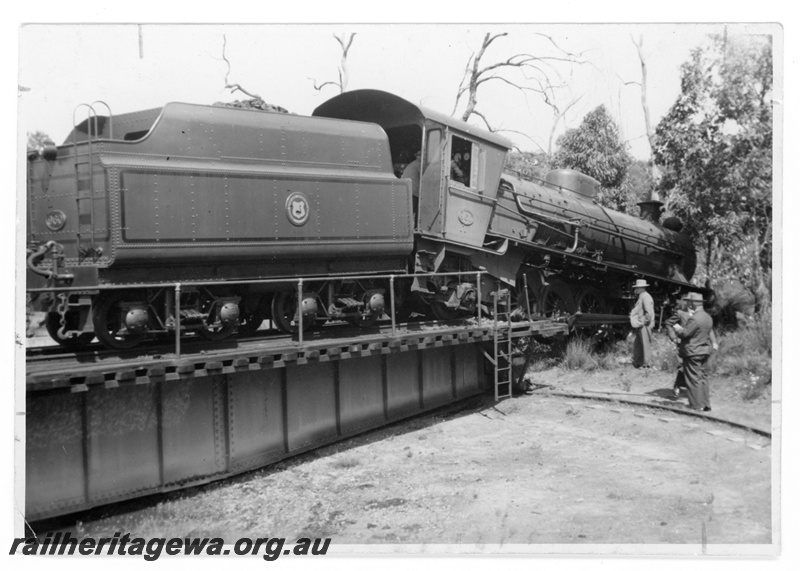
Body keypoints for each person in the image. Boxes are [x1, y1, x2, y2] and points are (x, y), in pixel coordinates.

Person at [671, 292, 716, 411]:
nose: (688, 304)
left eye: (690, 302)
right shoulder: (708, 317)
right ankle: (706, 404)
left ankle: (696, 405)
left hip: (693, 351)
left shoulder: (695, 318)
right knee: (703, 377)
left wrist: (678, 329)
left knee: (693, 379)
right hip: (704, 351)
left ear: (694, 303)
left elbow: (685, 333)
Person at [629, 279, 654, 368]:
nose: (636, 290)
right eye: (637, 288)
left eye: (638, 288)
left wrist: (642, 322)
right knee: (638, 344)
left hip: (644, 325)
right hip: (641, 325)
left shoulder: (646, 297)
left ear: (643, 288)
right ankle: (638, 363)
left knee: (645, 345)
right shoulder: (641, 296)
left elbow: (649, 313)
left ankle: (647, 365)